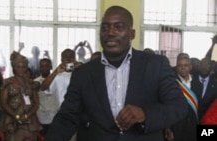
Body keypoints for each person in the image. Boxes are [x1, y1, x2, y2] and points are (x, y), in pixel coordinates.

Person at [45, 6, 188, 141]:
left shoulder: (156, 65)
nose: (110, 33)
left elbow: (178, 106)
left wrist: (145, 114)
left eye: (118, 27)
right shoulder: (83, 73)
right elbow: (67, 118)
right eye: (105, 28)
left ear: (132, 34)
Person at [0, 51, 42, 141]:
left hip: (29, 120)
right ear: (14, 68)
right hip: (12, 120)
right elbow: (4, 103)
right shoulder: (7, 83)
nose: (21, 69)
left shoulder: (31, 83)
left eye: (23, 67)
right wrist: (17, 116)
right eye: (18, 67)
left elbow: (36, 103)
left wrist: (26, 116)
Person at [165, 53, 198, 141]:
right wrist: (168, 128)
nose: (183, 68)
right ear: (176, 67)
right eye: (180, 65)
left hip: (193, 128)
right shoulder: (171, 83)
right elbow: (167, 107)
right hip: (176, 128)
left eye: (186, 65)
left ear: (190, 67)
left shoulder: (198, 84)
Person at [34, 58, 59, 137]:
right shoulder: (35, 82)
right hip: (41, 116)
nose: (44, 68)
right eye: (42, 66)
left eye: (46, 66)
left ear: (51, 67)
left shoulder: (57, 79)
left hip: (55, 115)